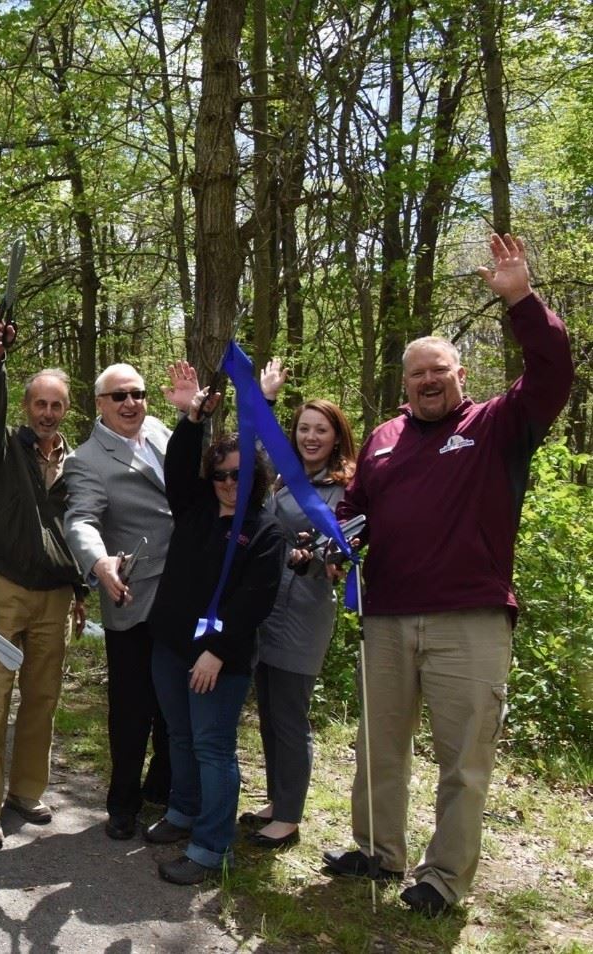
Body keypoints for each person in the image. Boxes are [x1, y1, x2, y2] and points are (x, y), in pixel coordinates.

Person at [322, 234, 573, 917]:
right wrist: (329, 542)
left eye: (439, 370)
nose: (428, 381)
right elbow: (355, 513)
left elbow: (553, 371)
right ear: (403, 383)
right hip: (387, 615)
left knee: (463, 759)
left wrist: (521, 299)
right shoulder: (383, 438)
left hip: (470, 616)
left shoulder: (498, 424)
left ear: (461, 373)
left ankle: (443, 878)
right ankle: (377, 850)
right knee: (379, 746)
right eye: (416, 374)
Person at [144, 363, 284, 885]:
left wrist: (218, 651)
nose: (228, 483)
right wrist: (189, 418)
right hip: (172, 644)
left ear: (255, 477)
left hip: (217, 659)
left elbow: (255, 600)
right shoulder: (196, 509)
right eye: (221, 475)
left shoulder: (263, 531)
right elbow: (179, 468)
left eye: (239, 475)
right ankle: (183, 812)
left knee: (212, 746)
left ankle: (211, 846)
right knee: (179, 735)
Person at [0, 316, 85, 849]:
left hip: (55, 598)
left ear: (66, 410)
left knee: (42, 697)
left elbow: (81, 531)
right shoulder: (1, 450)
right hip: (3, 590)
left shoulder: (77, 464)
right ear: (26, 407)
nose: (47, 413)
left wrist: (81, 590)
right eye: (40, 403)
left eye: (56, 405)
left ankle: (26, 792)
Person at [239, 364, 356, 849]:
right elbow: (254, 448)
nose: (311, 437)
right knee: (268, 709)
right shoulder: (283, 476)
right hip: (267, 606)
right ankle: (277, 799)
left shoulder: (344, 489)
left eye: (321, 430)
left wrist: (326, 558)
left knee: (289, 714)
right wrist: (263, 398)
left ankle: (289, 818)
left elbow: (348, 545)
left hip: (304, 610)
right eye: (304, 428)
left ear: (336, 437)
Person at [62, 362, 174, 843]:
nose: (131, 403)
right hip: (133, 594)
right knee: (132, 707)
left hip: (184, 591)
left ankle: (164, 789)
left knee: (177, 703)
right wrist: (99, 562)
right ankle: (122, 804)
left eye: (138, 393)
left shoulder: (162, 432)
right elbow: (80, 519)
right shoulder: (87, 459)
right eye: (119, 396)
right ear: (100, 404)